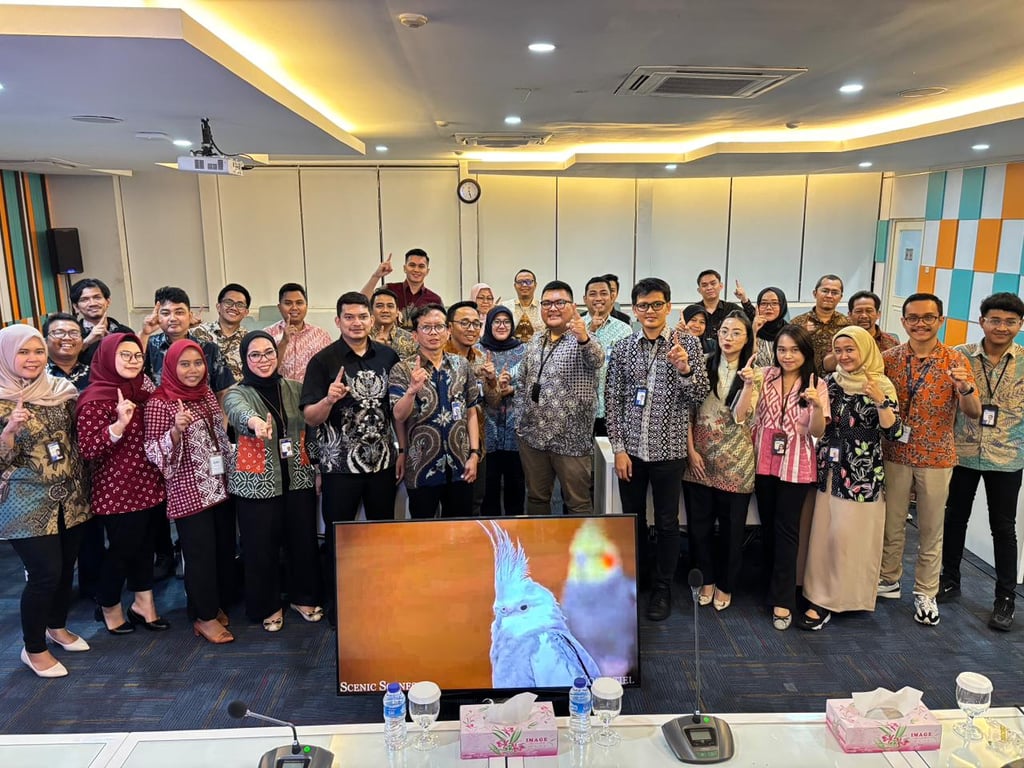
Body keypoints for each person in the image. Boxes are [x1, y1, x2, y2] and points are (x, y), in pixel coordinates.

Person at [605, 277, 709, 621]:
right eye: (643, 305)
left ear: (668, 307)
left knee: (666, 522)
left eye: (657, 304)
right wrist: (619, 448)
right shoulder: (623, 347)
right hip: (632, 452)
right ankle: (639, 579)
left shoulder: (688, 344)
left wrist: (685, 369)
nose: (650, 311)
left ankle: (662, 587)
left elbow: (698, 396)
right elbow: (613, 400)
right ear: (635, 310)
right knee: (633, 520)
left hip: (670, 450)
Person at [879, 292, 981, 626]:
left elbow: (973, 411)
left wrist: (964, 389)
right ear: (903, 321)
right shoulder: (889, 358)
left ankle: (925, 591)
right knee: (892, 523)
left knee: (931, 529)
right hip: (895, 453)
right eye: (913, 318)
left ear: (940, 320)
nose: (920, 324)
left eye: (928, 317)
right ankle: (889, 578)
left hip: (936, 455)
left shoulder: (956, 360)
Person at [0, 324, 90, 677]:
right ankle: (33, 648)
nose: (33, 358)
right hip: (26, 502)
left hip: (71, 497)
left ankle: (56, 626)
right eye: (23, 352)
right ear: (7, 355)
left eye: (38, 351)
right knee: (44, 573)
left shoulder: (60, 391)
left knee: (66, 569)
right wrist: (8, 432)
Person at [800, 326, 902, 630]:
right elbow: (819, 428)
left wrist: (881, 401)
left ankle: (843, 598)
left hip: (861, 473)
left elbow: (894, 433)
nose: (844, 356)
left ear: (865, 350)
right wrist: (817, 407)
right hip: (828, 468)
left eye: (850, 349)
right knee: (823, 536)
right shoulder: (831, 382)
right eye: (839, 350)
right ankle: (818, 595)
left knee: (849, 538)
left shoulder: (880, 383)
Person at [224, 332, 321, 632]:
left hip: (298, 478)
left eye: (268, 353)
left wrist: (317, 467)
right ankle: (267, 605)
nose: (263, 360)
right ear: (245, 359)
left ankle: (303, 597)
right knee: (260, 547)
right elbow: (238, 413)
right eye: (255, 355)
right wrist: (255, 423)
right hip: (257, 483)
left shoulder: (295, 388)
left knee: (303, 541)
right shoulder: (237, 393)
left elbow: (310, 430)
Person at [75, 332, 169, 635]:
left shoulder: (143, 388)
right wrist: (118, 425)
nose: (133, 361)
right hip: (117, 489)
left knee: (145, 549)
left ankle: (144, 604)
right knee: (122, 551)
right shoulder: (95, 398)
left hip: (149, 483)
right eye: (125, 355)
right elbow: (88, 449)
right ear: (107, 357)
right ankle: (108, 605)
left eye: (137, 355)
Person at [941, 292, 1024, 631]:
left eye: (1010, 321)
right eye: (995, 320)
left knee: (1003, 528)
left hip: (1006, 456)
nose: (1001, 327)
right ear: (982, 321)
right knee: (954, 518)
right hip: (961, 451)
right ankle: (949, 579)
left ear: (1020, 325)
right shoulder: (959, 356)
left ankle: (1005, 597)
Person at [144, 339, 235, 644]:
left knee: (220, 550)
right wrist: (175, 431)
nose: (193, 370)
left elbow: (218, 433)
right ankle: (205, 618)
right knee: (200, 556)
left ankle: (204, 607)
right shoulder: (160, 402)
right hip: (189, 490)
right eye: (184, 364)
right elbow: (153, 452)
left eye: (197, 363)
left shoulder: (205, 393)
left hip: (219, 485)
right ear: (171, 366)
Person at [142, 286, 235, 581]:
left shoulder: (206, 349)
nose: (192, 369)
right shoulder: (149, 347)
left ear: (190, 314)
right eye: (166, 312)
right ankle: (172, 557)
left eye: (179, 311)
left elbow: (223, 391)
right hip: (173, 454)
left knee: (217, 541)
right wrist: (174, 430)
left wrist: (219, 433)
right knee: (195, 544)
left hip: (211, 461)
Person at [738, 325, 826, 630]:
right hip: (763, 460)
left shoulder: (816, 383)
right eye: (782, 350)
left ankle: (784, 599)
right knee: (768, 528)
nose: (787, 356)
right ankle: (770, 585)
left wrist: (816, 406)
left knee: (787, 531)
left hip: (796, 465)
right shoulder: (765, 375)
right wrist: (747, 384)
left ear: (806, 352)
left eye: (794, 350)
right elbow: (744, 415)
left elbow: (818, 432)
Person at [685, 312, 757, 616]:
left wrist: (748, 384)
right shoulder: (702, 364)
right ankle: (707, 579)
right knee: (698, 527)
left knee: (731, 530)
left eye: (737, 332)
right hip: (699, 460)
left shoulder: (755, 373)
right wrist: (690, 451)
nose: (728, 337)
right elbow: (687, 411)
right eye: (725, 331)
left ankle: (726, 584)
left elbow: (741, 417)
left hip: (736, 463)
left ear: (747, 338)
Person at [514, 281, 604, 514]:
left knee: (578, 504)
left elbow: (597, 359)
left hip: (571, 441)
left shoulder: (585, 338)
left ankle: (578, 541)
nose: (552, 308)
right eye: (546, 303)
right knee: (536, 499)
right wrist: (520, 424)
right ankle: (539, 540)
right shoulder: (535, 341)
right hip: (534, 439)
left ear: (572, 306)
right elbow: (522, 382)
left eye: (559, 303)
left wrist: (583, 337)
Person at [390, 304, 481, 518]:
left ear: (448, 331)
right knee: (423, 529)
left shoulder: (462, 365)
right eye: (426, 327)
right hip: (421, 465)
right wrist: (411, 391)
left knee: (460, 527)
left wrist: (474, 454)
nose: (433, 333)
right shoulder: (402, 369)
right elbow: (399, 416)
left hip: (460, 464)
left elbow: (471, 411)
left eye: (439, 326)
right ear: (415, 335)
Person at [444, 301, 497, 515]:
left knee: (474, 502)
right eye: (464, 323)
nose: (471, 329)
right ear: (449, 327)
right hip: (445, 443)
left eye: (476, 324)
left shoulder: (481, 358)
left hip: (476, 443)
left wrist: (492, 381)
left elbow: (493, 402)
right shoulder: (439, 357)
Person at [479, 306, 527, 516]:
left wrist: (512, 389)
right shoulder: (478, 351)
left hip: (515, 429)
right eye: (496, 321)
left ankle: (516, 527)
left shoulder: (523, 351)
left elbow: (533, 383)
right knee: (488, 487)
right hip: (486, 429)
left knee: (515, 485)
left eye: (506, 321)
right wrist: (493, 386)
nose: (501, 326)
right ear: (489, 324)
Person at [581, 276, 632, 436]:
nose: (598, 298)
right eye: (593, 294)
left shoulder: (624, 330)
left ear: (612, 297)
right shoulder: (574, 328)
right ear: (585, 299)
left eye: (603, 293)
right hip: (579, 409)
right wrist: (589, 331)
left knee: (609, 451)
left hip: (612, 409)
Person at [266, 283, 332, 383]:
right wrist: (284, 342)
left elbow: (330, 369)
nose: (294, 308)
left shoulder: (321, 336)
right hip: (278, 390)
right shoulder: (267, 334)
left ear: (306, 306)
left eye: (299, 303)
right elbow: (266, 370)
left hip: (312, 391)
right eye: (288, 303)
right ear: (279, 307)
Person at [361, 249, 442, 326]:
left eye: (421, 266)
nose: (416, 270)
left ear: (427, 271)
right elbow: (362, 302)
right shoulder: (389, 289)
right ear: (404, 268)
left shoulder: (435, 300)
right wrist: (376, 276)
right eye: (412, 265)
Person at [191, 283, 251, 383]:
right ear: (218, 307)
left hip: (238, 391)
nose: (234, 308)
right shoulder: (197, 332)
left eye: (240, 305)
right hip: (202, 390)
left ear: (246, 312)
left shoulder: (249, 340)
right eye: (228, 302)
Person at [790, 275, 849, 376]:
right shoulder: (797, 323)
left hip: (838, 381)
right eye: (825, 291)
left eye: (834, 292)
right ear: (815, 293)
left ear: (840, 297)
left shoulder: (848, 326)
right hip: (804, 379)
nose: (829, 296)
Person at [70, 277, 133, 364]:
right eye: (85, 300)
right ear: (76, 307)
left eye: (97, 297)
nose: (92, 303)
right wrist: (87, 341)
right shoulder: (70, 335)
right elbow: (63, 361)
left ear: (108, 302)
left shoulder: (124, 332)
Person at [695, 270, 756, 337]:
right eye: (704, 285)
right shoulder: (693, 310)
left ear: (721, 286)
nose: (709, 288)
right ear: (699, 290)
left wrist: (744, 299)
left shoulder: (732, 308)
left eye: (713, 283)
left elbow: (754, 321)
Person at [43, 313, 90, 391]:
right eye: (59, 333)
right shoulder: (35, 374)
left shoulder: (95, 375)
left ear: (82, 341)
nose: (67, 338)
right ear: (45, 341)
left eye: (74, 333)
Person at [370, 288, 418, 358]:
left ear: (397, 311)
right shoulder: (362, 337)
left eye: (390, 306)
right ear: (371, 311)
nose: (385, 310)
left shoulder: (411, 339)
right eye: (379, 306)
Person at [751, 287, 789, 367]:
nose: (768, 307)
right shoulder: (747, 330)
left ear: (782, 306)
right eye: (763, 303)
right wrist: (753, 332)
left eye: (774, 303)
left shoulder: (790, 332)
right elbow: (745, 360)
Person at [502, 269, 543, 342]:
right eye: (520, 282)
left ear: (535, 285)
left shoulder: (544, 306)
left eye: (528, 282)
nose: (524, 285)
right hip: (511, 347)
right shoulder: (504, 306)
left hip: (540, 347)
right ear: (515, 286)